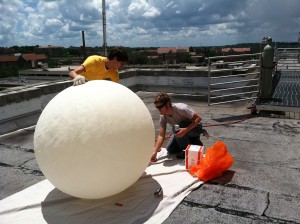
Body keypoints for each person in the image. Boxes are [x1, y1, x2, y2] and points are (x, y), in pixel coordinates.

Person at [151, 92, 209, 162]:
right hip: (183, 131)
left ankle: (186, 150)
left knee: (177, 128)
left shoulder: (181, 108)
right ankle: (194, 142)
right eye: (157, 107)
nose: (158, 109)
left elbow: (198, 118)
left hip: (196, 127)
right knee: (170, 149)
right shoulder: (163, 117)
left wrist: (185, 130)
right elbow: (161, 135)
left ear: (167, 104)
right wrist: (155, 152)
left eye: (160, 107)